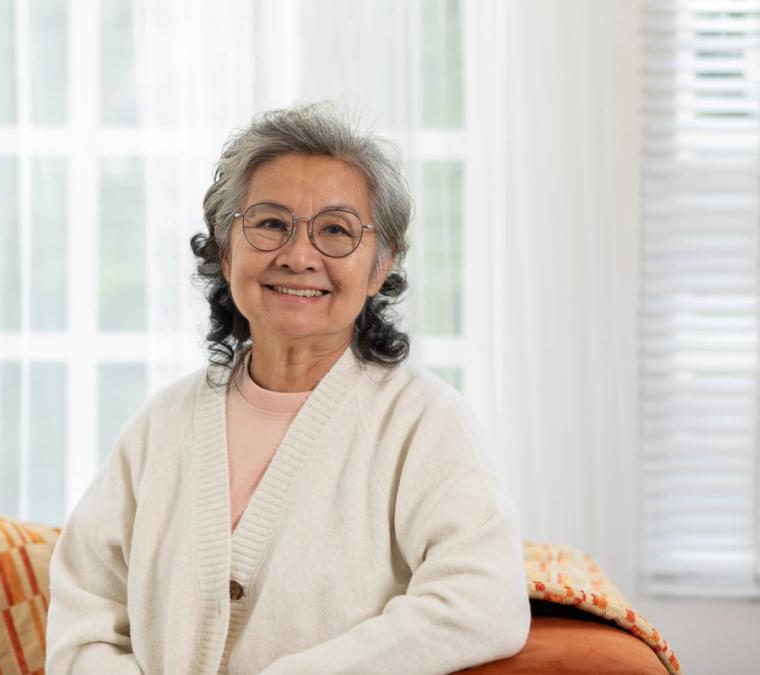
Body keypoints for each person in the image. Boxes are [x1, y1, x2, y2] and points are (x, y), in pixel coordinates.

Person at [46, 103, 530, 674]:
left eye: (335, 231)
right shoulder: (161, 425)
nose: (299, 257)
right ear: (226, 251)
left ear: (380, 267)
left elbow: (483, 602)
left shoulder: (425, 423)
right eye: (271, 223)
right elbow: (85, 619)